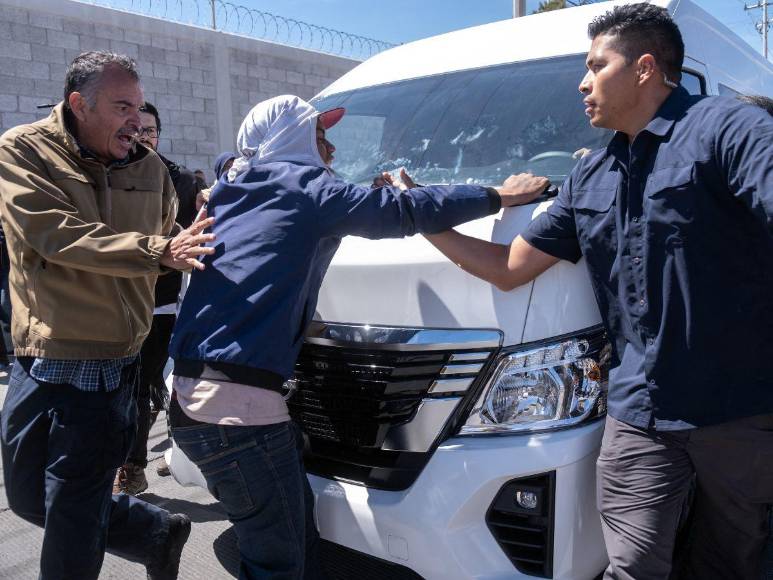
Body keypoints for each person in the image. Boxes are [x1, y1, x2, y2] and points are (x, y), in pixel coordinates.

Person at [421, 4, 773, 579]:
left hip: (739, 416)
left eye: (594, 66)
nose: (581, 83)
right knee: (631, 565)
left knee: (731, 559)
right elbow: (510, 267)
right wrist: (423, 216)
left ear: (643, 69)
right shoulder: (592, 173)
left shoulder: (728, 129)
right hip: (640, 414)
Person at [167, 94, 549, 579]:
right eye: (318, 136)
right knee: (279, 563)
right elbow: (407, 210)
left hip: (193, 404)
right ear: (290, 140)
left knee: (287, 539)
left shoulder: (232, 184)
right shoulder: (303, 189)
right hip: (239, 419)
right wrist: (499, 195)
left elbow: (240, 166)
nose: (330, 150)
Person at [0, 51, 215, 580]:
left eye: (139, 108)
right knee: (30, 500)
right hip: (41, 356)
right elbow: (54, 234)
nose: (137, 122)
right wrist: (153, 251)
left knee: (73, 514)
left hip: (110, 361)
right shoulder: (23, 150)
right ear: (79, 103)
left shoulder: (151, 169)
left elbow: (174, 239)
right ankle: (152, 531)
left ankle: (137, 532)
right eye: (123, 107)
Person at [113, 101, 201, 495]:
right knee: (124, 389)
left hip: (161, 305)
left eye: (150, 131)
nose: (143, 137)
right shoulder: (109, 172)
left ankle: (134, 464)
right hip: (114, 302)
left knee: (149, 385)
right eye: (137, 130)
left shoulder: (180, 179)